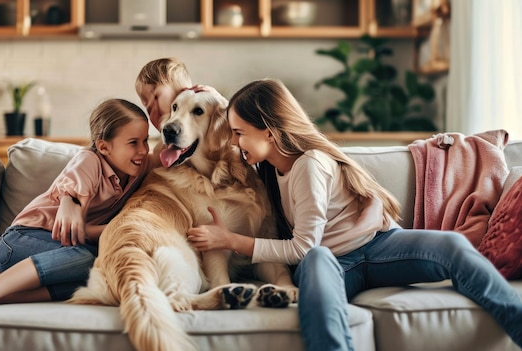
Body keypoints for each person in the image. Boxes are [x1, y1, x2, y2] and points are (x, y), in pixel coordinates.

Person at [186, 78, 522, 351]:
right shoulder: (265, 169)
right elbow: (309, 253)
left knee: (451, 246)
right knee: (317, 259)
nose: (233, 141)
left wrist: (231, 241)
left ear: (269, 132)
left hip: (380, 246)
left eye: (239, 132)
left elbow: (300, 248)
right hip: (336, 264)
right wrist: (212, 97)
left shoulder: (310, 164)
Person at [0, 98, 152, 314]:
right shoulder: (89, 161)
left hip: (55, 255)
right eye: (133, 143)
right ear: (103, 146)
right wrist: (115, 227)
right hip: (21, 241)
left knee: (100, 280)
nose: (143, 150)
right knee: (90, 259)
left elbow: (171, 156)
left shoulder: (138, 167)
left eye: (146, 141)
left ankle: (1, 287)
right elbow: (74, 212)